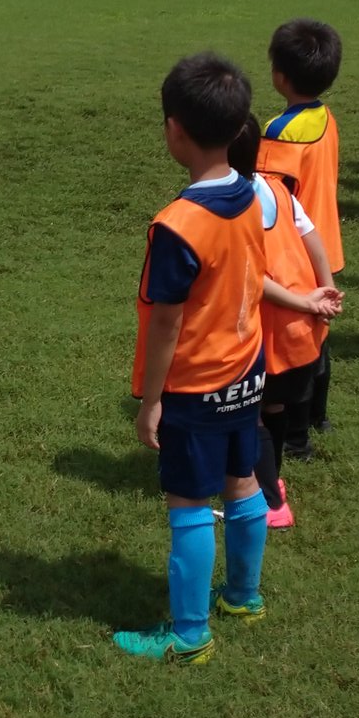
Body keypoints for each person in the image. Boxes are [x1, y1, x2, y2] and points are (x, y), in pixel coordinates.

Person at [112, 53, 273, 665]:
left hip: (197, 385)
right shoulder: (253, 194)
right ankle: (244, 596)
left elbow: (167, 322)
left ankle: (187, 635)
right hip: (248, 371)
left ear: (173, 129)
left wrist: (152, 401)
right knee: (244, 482)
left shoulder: (176, 226)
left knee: (188, 504)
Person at [229, 119, 341, 532]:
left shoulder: (232, 206)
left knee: (251, 412)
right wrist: (325, 289)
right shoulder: (276, 187)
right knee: (274, 406)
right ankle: (272, 477)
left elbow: (251, 276)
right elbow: (311, 234)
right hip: (300, 328)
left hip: (268, 330)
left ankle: (270, 501)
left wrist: (304, 299)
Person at [257, 19, 344, 444]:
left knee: (295, 343)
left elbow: (271, 197)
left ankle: (294, 432)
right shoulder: (327, 118)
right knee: (320, 333)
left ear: (280, 76)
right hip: (325, 243)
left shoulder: (280, 132)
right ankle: (317, 417)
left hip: (295, 254)